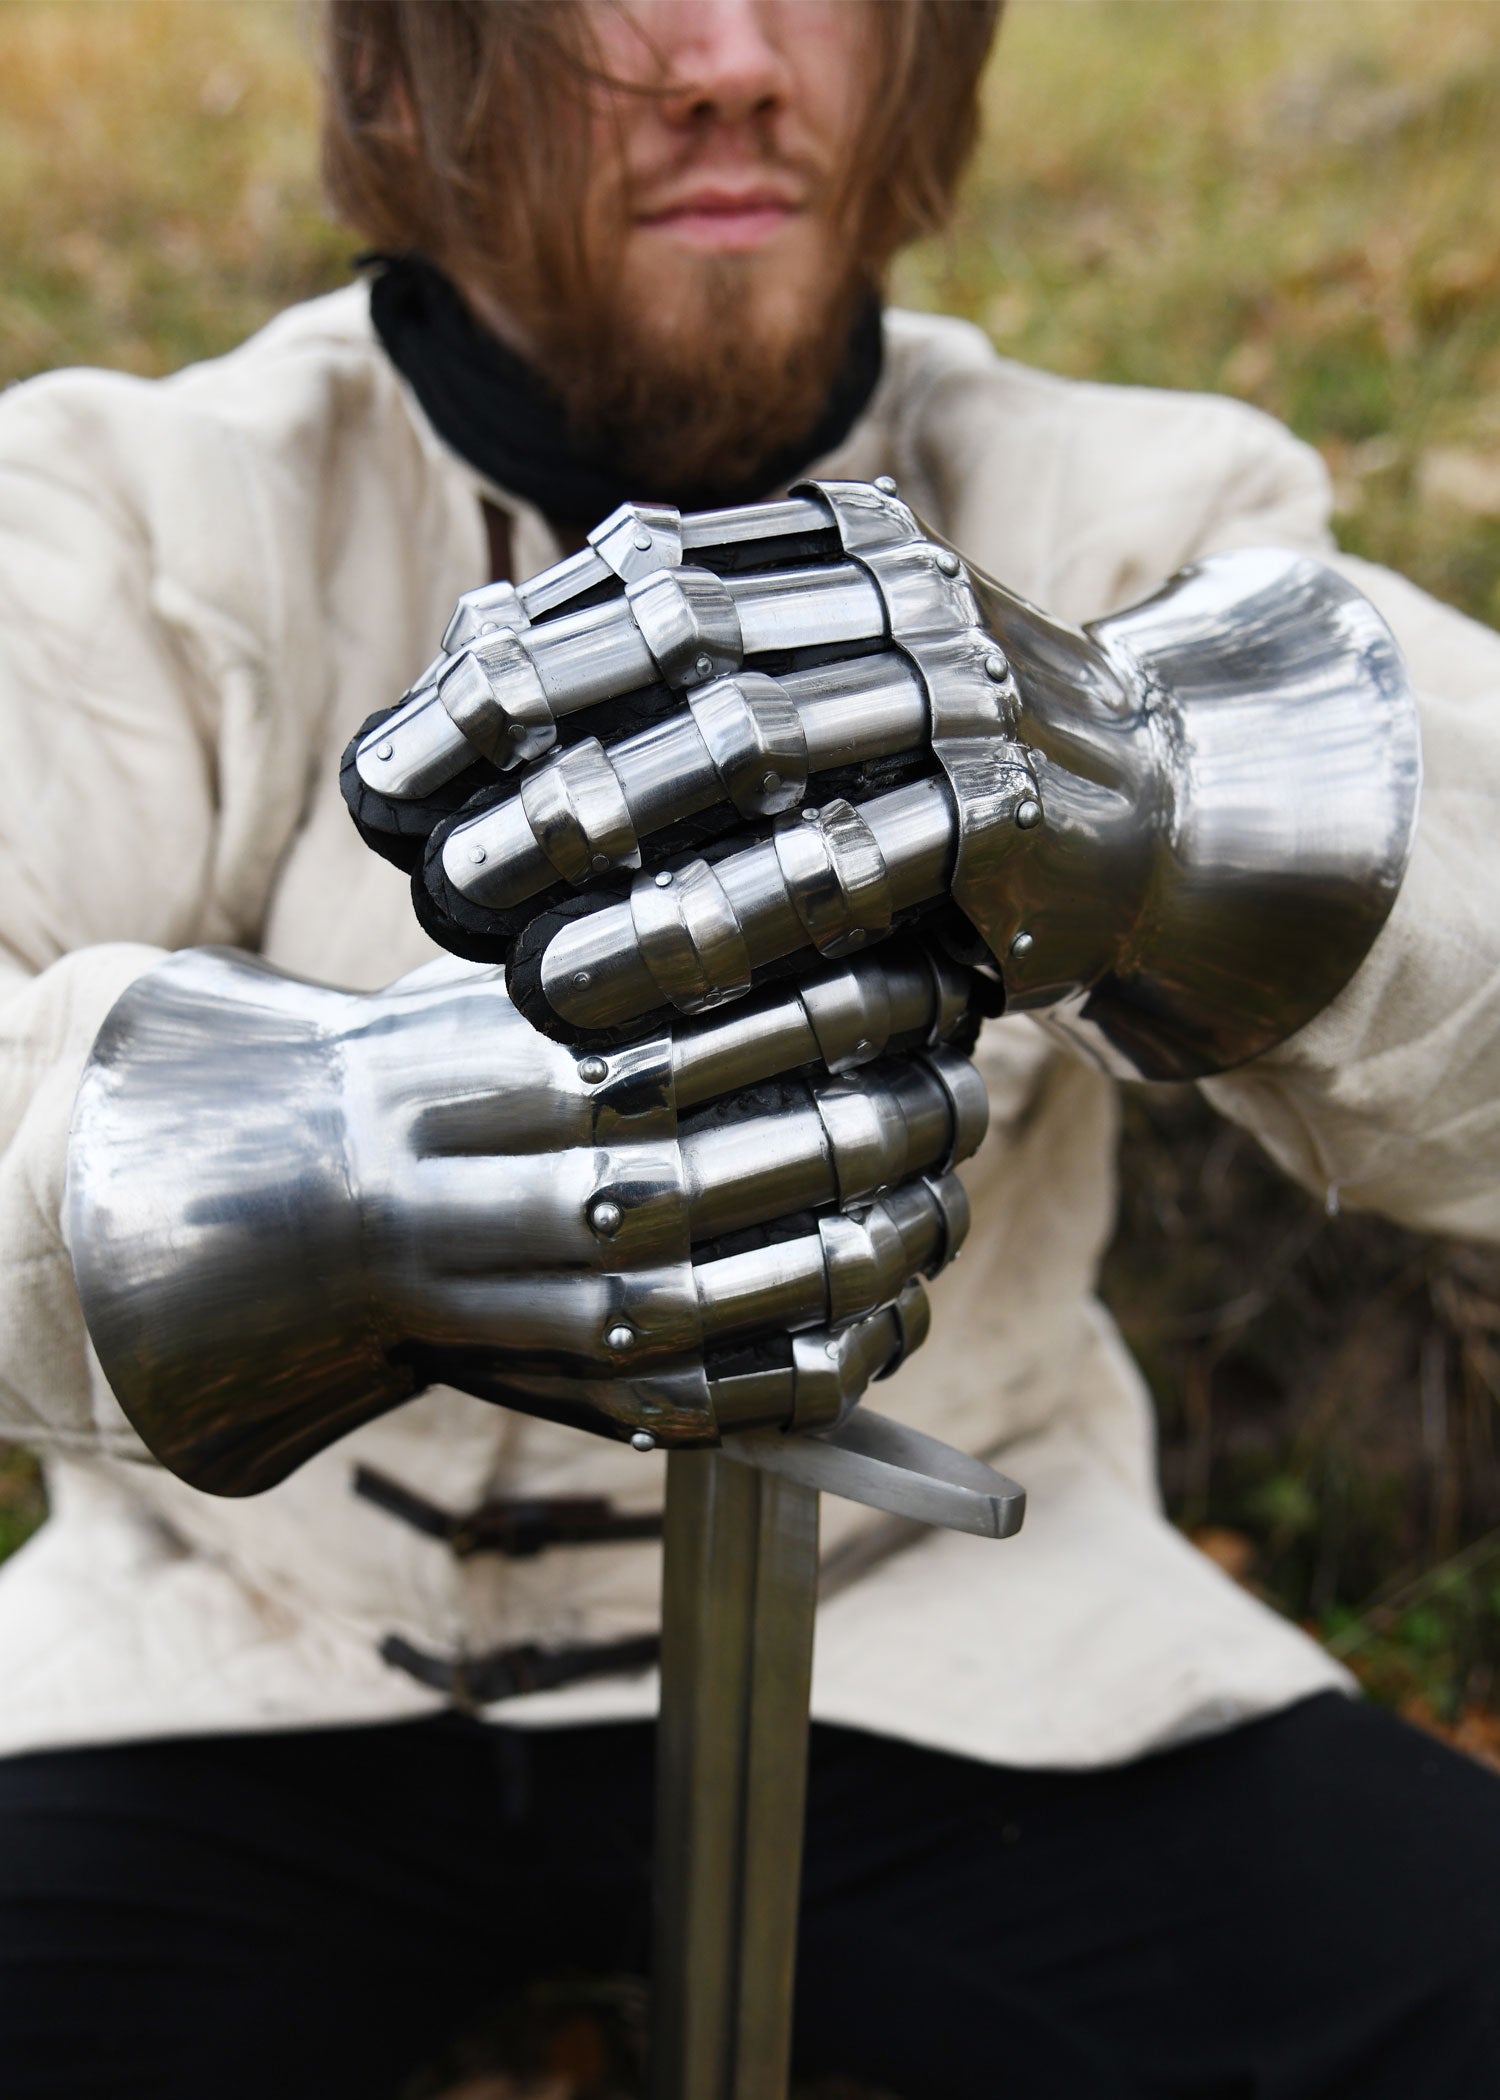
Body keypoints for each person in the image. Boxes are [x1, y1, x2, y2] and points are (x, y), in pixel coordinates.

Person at [0, 4, 1497, 2096]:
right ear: (414, 65)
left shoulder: (1132, 509)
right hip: (243, 1658)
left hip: (959, 1653)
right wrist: (316, 1172)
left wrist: (1177, 794)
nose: (724, 57)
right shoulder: (131, 512)